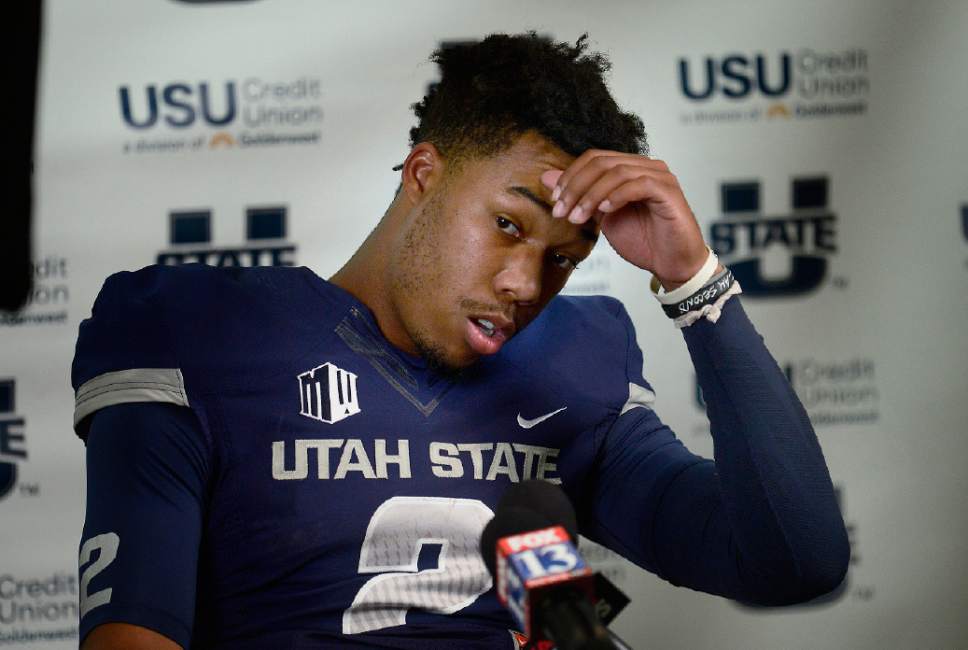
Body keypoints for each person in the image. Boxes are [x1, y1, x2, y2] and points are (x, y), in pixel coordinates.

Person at [72, 32, 849, 650]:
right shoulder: (202, 330)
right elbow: (133, 634)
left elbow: (792, 561)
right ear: (423, 172)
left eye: (563, 260)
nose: (523, 284)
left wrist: (694, 282)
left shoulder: (573, 367)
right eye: (507, 225)